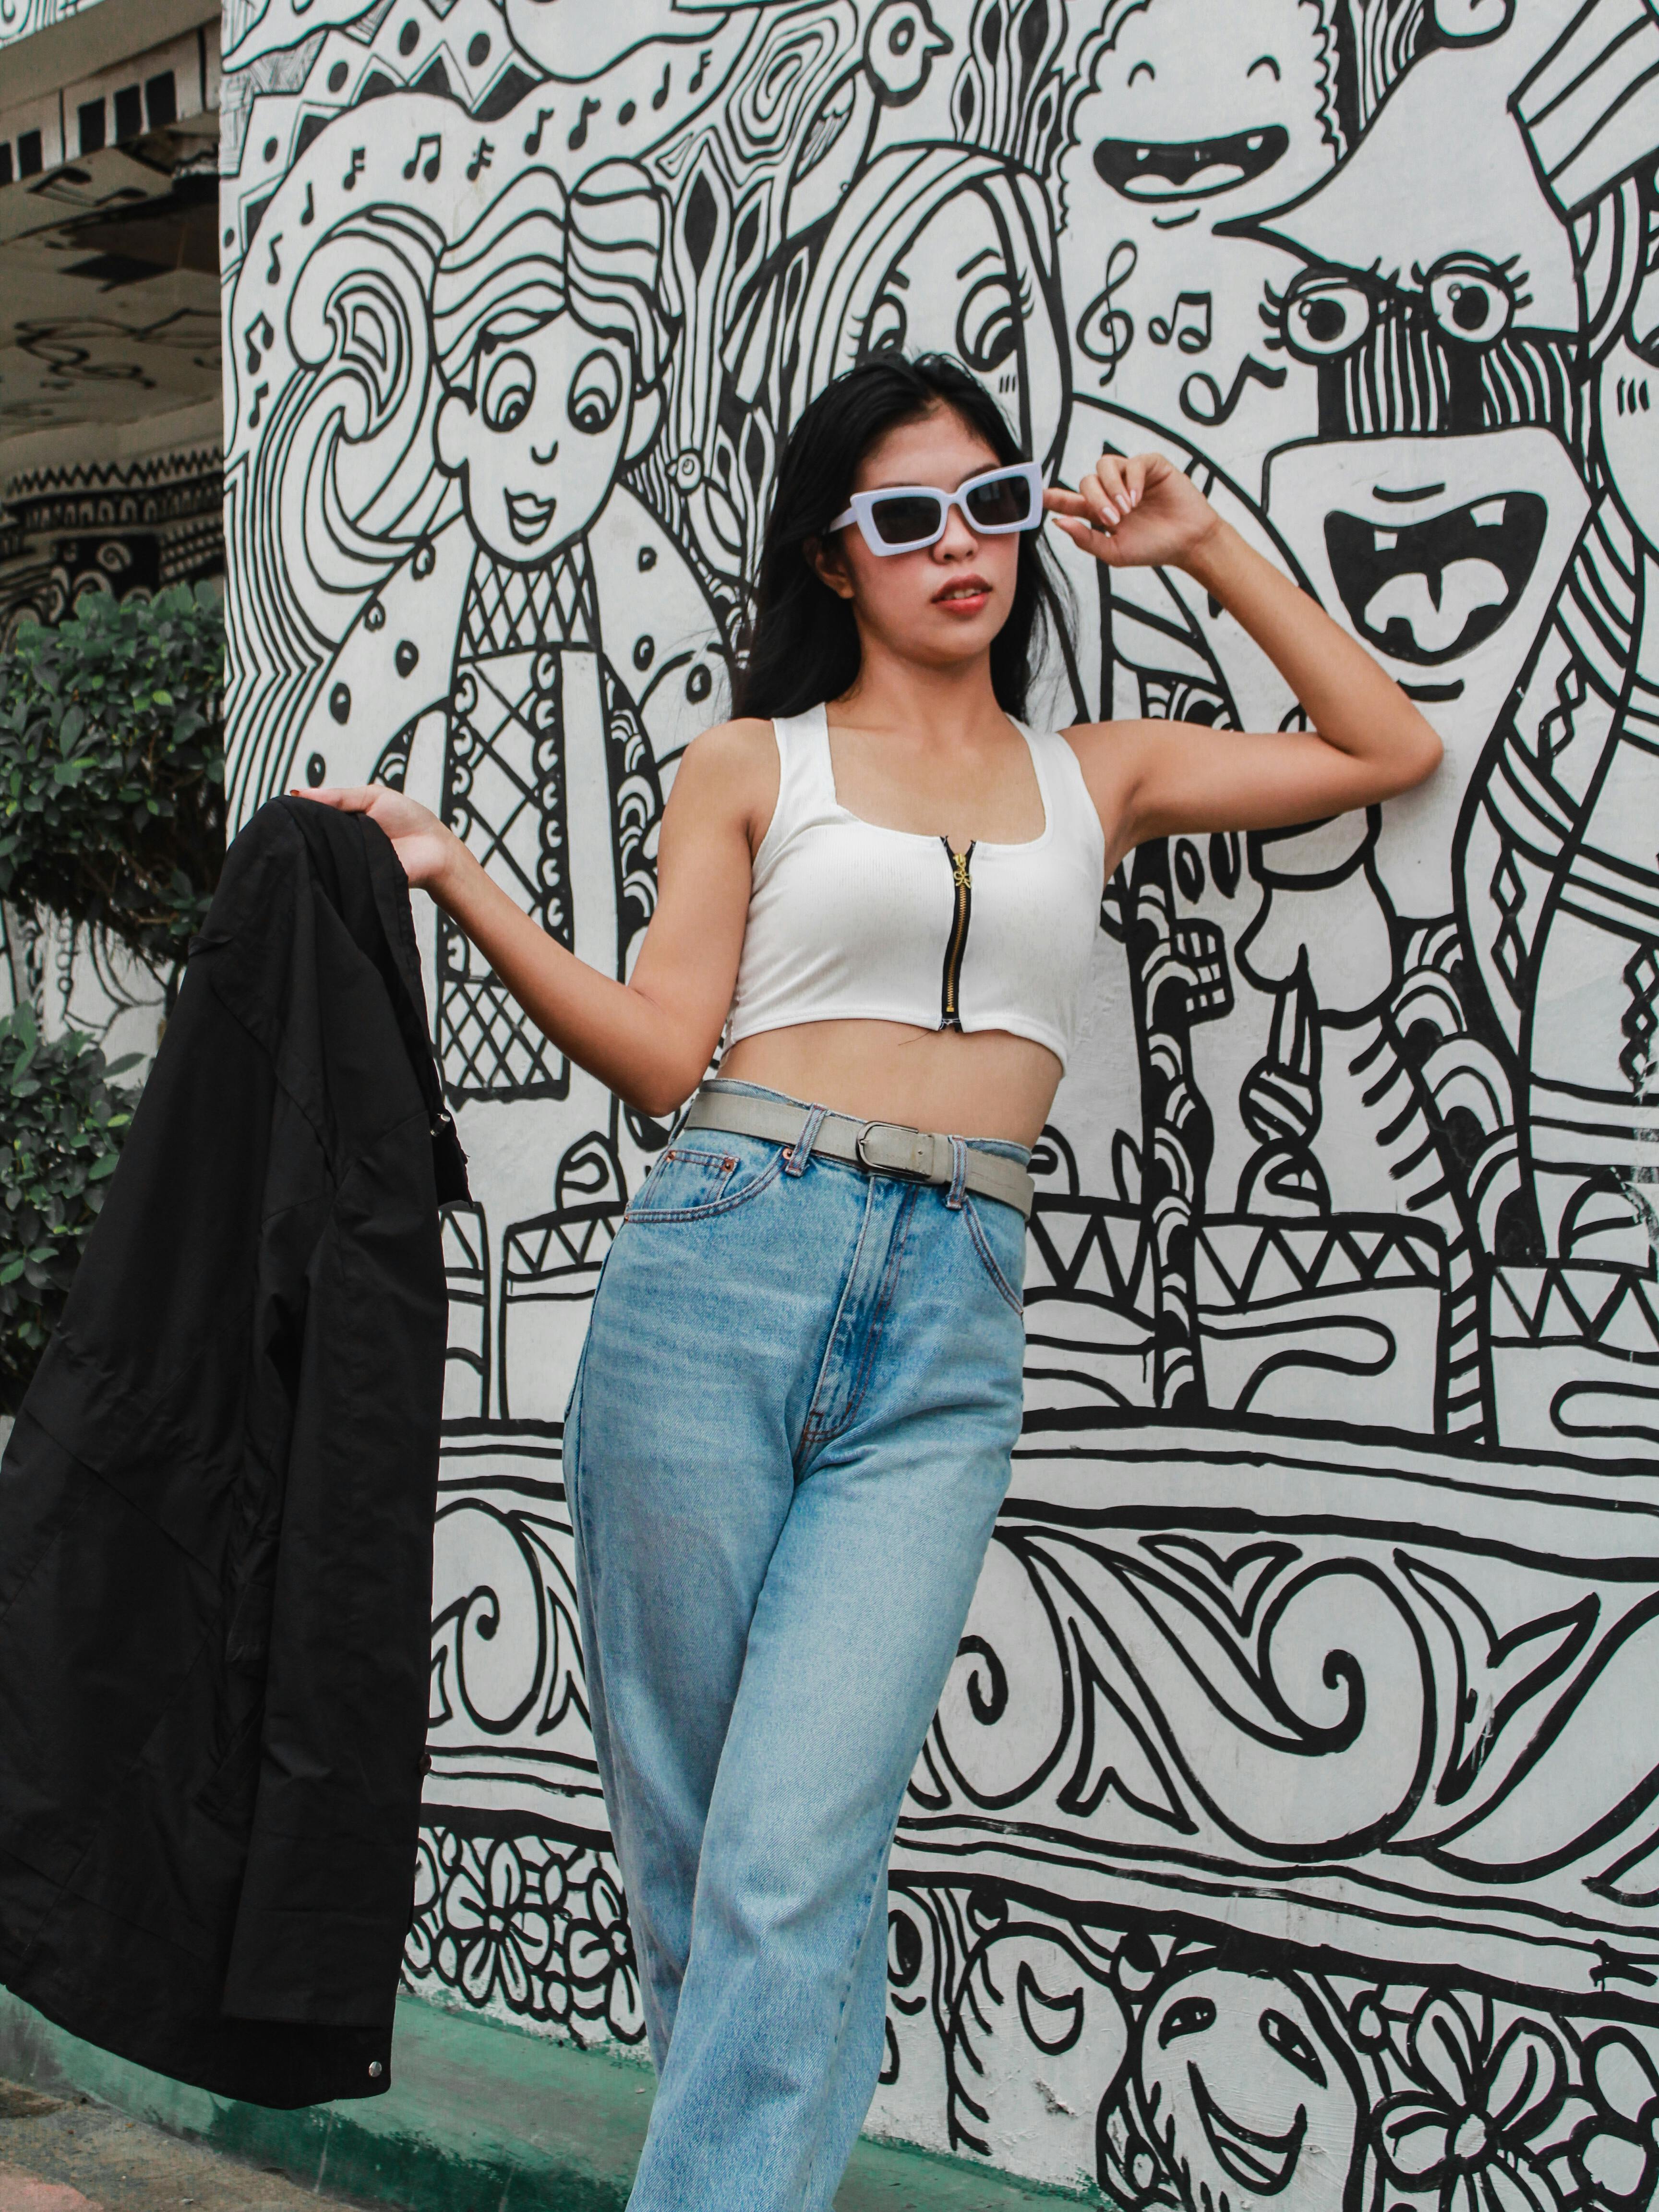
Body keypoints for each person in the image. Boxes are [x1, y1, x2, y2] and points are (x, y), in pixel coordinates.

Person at [306, 350, 1440, 2210]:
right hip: (721, 1267)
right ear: (838, 560)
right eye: (907, 519)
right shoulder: (755, 764)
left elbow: (1385, 748)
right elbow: (670, 1060)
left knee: (793, 1851)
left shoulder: (1103, 775)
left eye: (992, 503)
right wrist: (463, 884)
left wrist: (1205, 548)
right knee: (699, 1854)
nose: (960, 547)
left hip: (952, 1308)